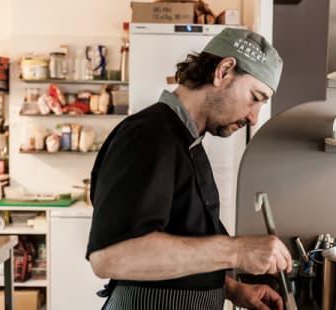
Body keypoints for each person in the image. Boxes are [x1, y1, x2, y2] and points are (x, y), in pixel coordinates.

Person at [86, 28, 292, 310]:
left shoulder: (187, 141)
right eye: (255, 98)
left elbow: (183, 240)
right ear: (224, 71)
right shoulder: (148, 135)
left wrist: (231, 289)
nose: (253, 117)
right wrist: (238, 250)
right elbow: (110, 257)